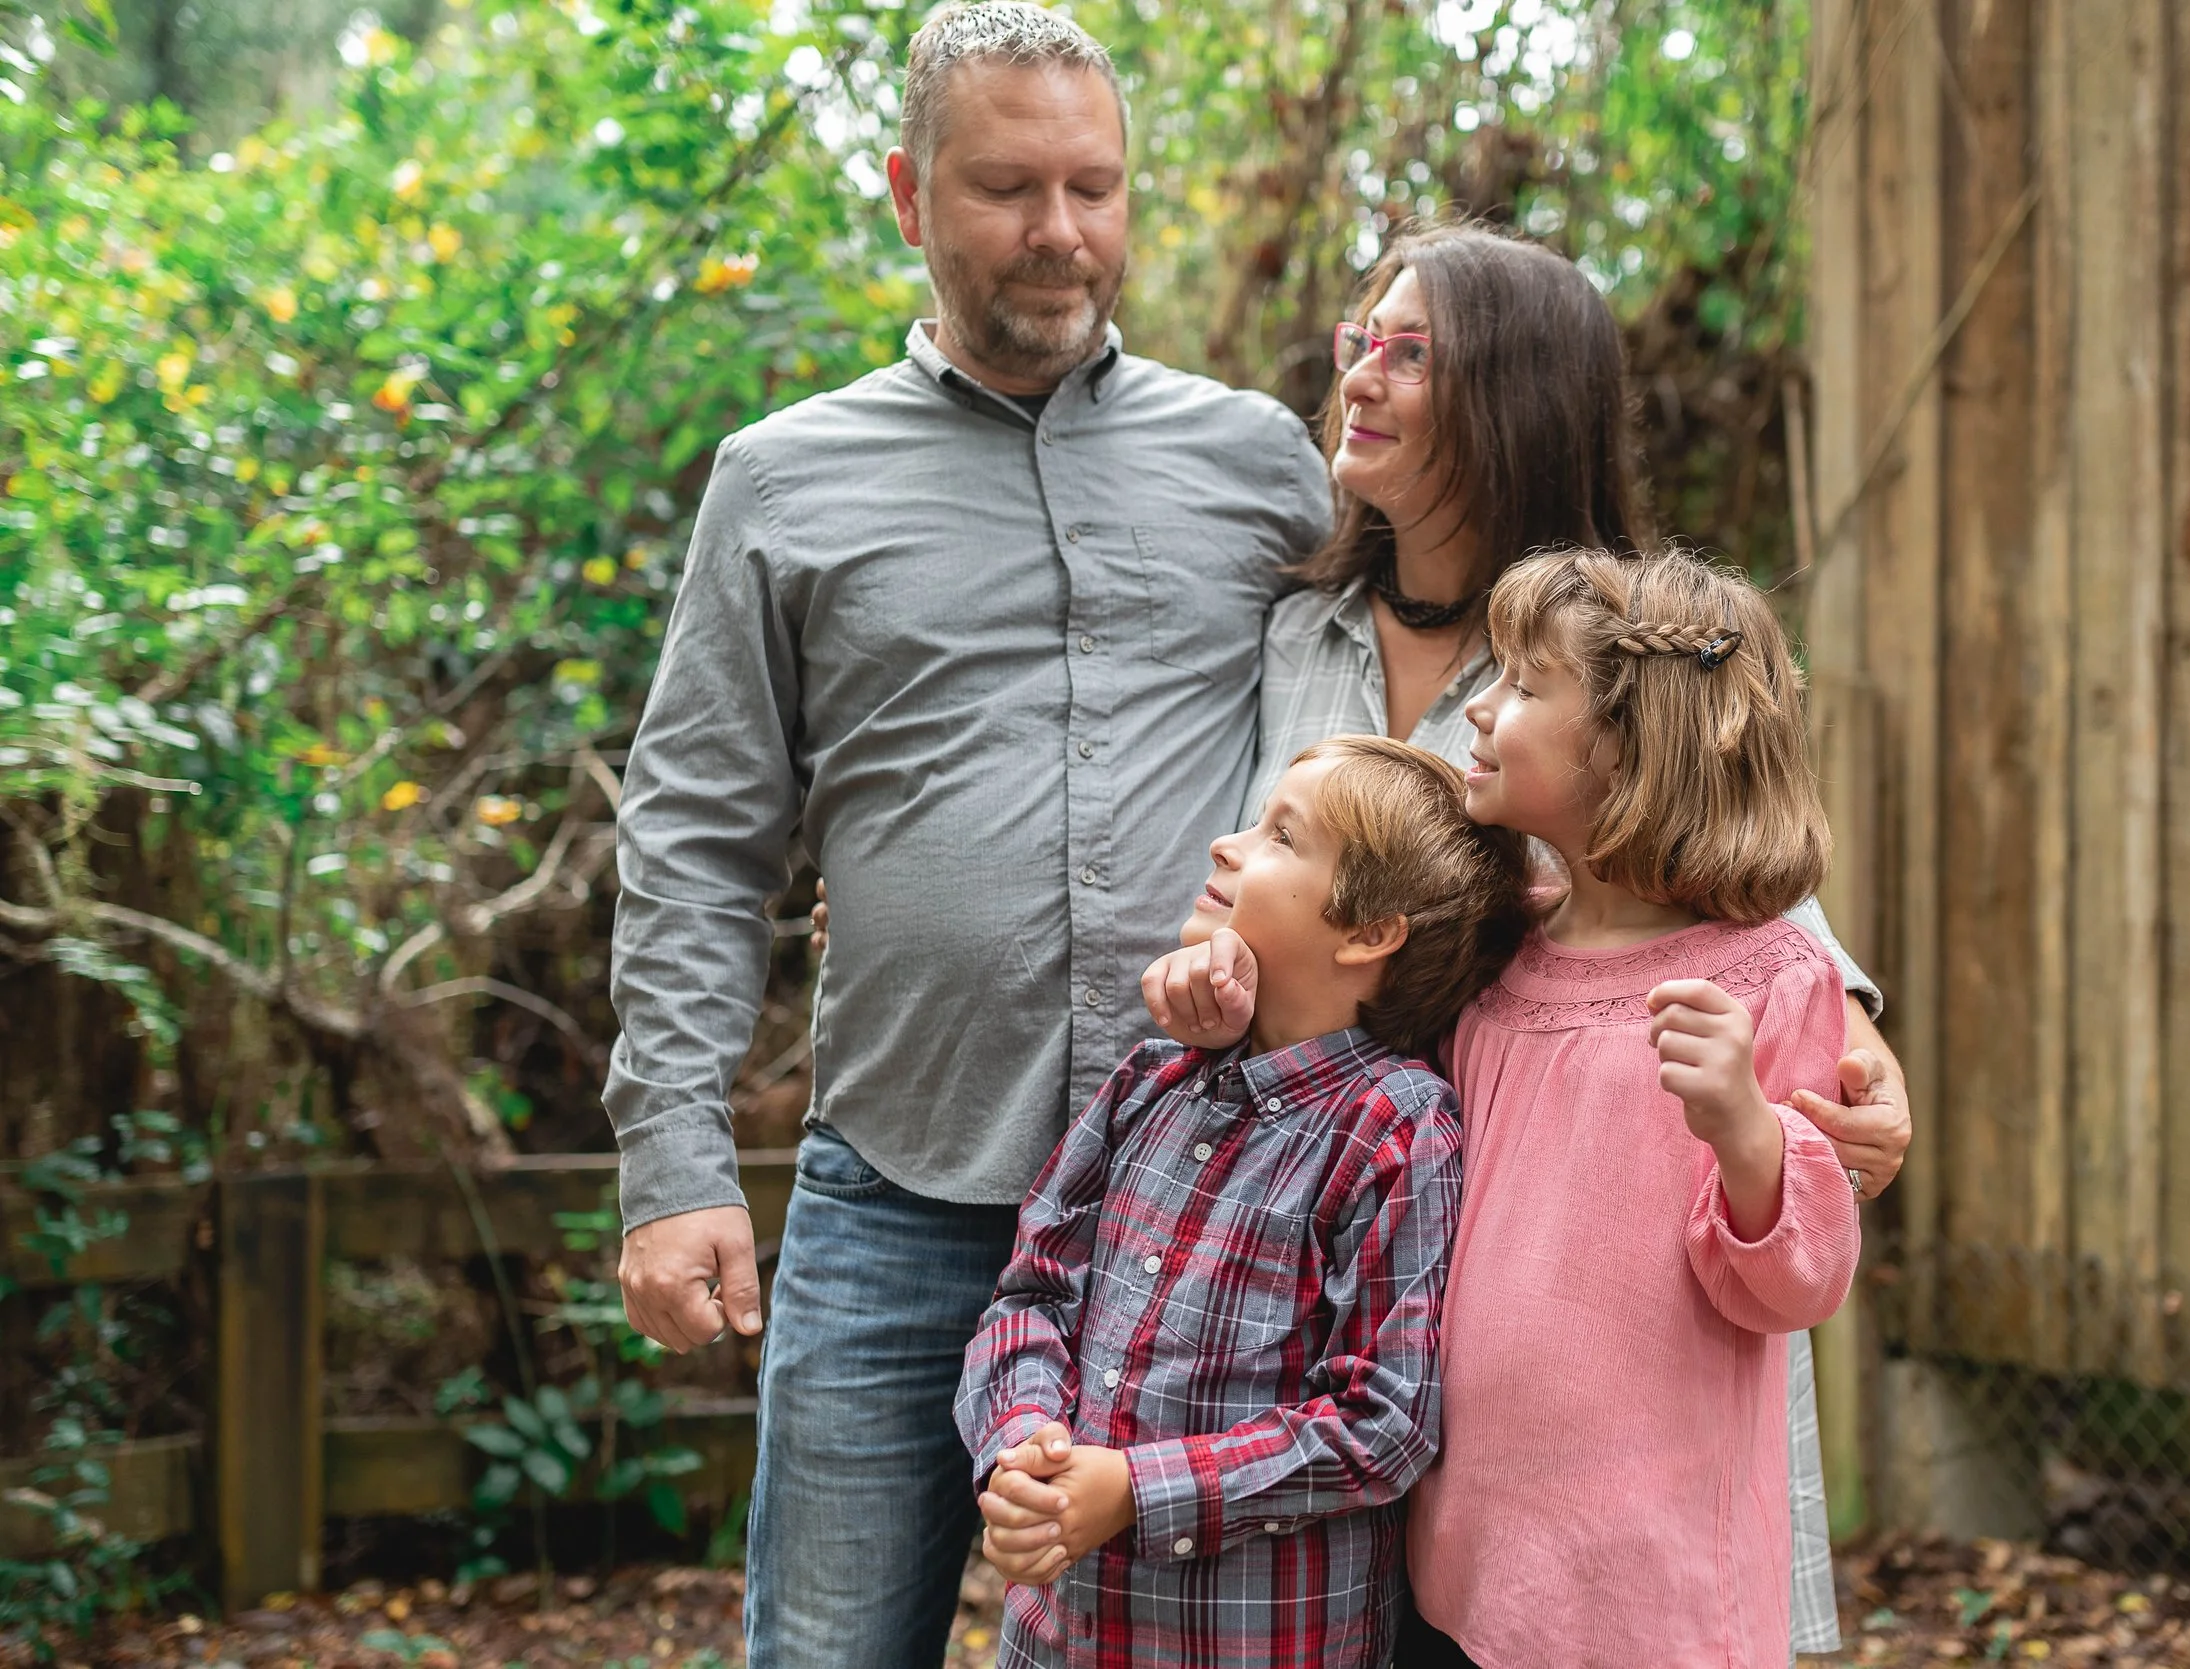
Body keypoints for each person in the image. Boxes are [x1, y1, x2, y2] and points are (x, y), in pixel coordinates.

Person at [600, 7, 1330, 1666]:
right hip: (901, 1195)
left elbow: (1472, 712)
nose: (1061, 230)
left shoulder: (1261, 466)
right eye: (1007, 187)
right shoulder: (782, 484)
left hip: (1210, 1199)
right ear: (910, 196)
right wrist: (673, 1158)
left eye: (1095, 185)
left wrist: (1811, 976)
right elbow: (702, 836)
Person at [1158, 222, 1902, 1656]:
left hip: (1633, 1364)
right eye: (1356, 343)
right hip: (1367, 1279)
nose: (1362, 378)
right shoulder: (1296, 636)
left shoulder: (1617, 647)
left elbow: (1722, 857)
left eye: (1411, 352)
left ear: (1515, 390)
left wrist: (1844, 1025)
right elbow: (1234, 876)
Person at [956, 737, 1531, 1668]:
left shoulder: (1394, 1128)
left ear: (1370, 930)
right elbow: (1032, 1295)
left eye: (1280, 836)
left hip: (1252, 1641)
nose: (1227, 845)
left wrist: (1135, 1492)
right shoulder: (1150, 1081)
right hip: (1065, 1634)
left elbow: (1384, 1420)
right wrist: (1026, 1452)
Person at [1401, 547, 1861, 1667]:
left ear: (1626, 738)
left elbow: (1795, 1286)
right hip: (1468, 1551)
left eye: (1518, 684)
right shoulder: (1496, 954)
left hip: (1651, 1584)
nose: (1477, 707)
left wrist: (1750, 1135)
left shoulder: (1767, 979)